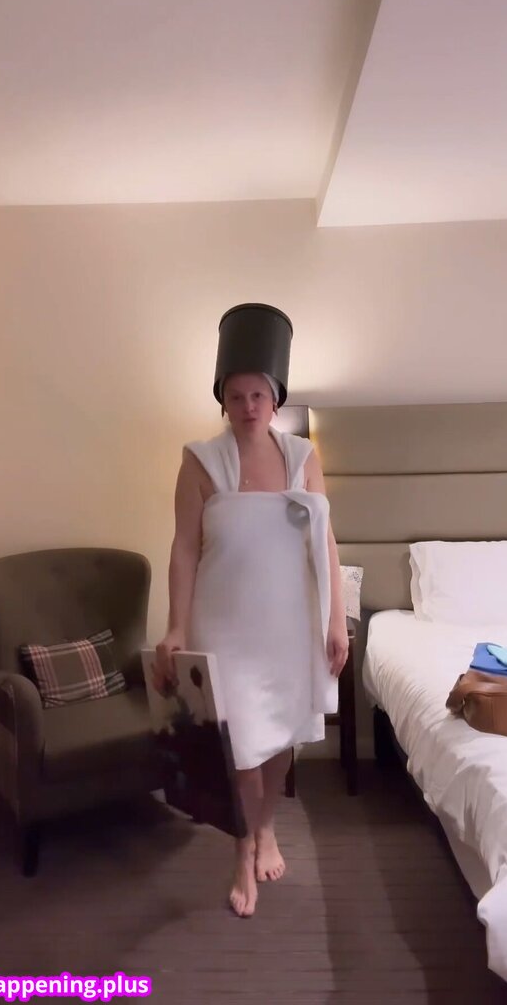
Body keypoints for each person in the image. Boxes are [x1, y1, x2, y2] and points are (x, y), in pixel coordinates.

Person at [154, 371, 348, 917]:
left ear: (275, 400)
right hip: (225, 626)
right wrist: (176, 626)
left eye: (258, 395)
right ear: (223, 402)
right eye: (235, 397)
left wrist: (335, 620)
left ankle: (265, 828)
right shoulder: (199, 460)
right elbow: (184, 548)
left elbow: (325, 540)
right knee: (239, 745)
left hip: (291, 625)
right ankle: (242, 852)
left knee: (281, 735)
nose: (248, 406)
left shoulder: (303, 456)